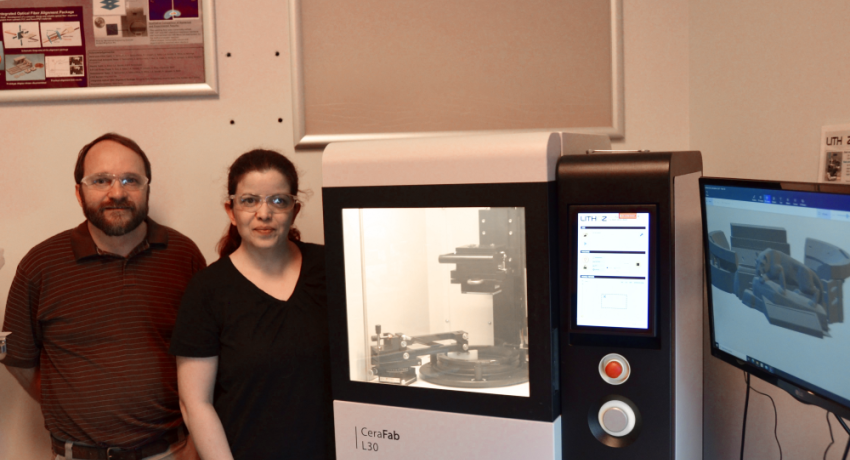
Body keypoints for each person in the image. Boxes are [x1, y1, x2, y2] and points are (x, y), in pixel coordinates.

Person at [1, 133, 206, 460]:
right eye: (100, 180)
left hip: (173, 452)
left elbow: (209, 356)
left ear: (147, 189)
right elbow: (18, 359)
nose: (117, 192)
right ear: (79, 194)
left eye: (131, 180)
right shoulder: (40, 264)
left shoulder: (183, 255)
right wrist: (72, 404)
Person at [170, 150, 333, 459]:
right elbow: (195, 403)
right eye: (249, 201)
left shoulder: (330, 267)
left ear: (294, 210)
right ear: (231, 211)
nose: (264, 213)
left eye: (278, 201)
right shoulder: (207, 290)